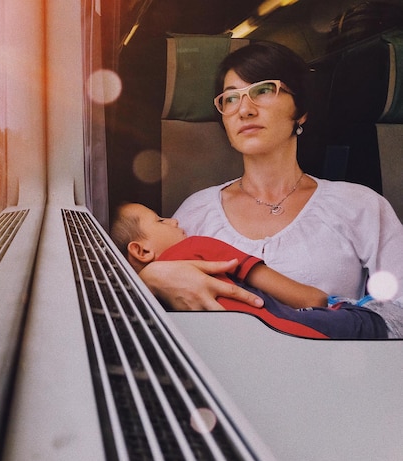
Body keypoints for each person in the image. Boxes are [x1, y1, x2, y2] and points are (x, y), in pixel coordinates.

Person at [138, 41, 403, 337]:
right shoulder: (195, 212)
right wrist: (148, 279)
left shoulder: (360, 205)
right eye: (230, 98)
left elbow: (400, 309)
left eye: (263, 90)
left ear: (300, 111)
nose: (245, 110)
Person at [111, 202, 388, 339]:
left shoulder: (148, 306)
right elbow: (310, 299)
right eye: (160, 220)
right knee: (368, 322)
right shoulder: (195, 245)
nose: (173, 220)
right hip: (296, 331)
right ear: (141, 251)